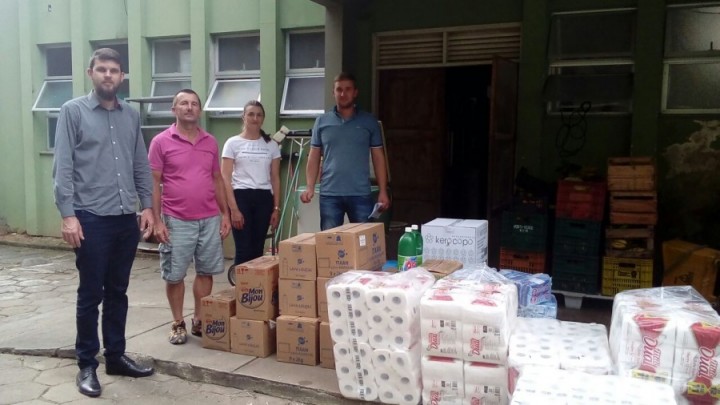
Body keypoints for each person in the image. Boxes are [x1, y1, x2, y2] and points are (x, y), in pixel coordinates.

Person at [52, 48, 155, 398]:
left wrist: (148, 207)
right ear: (90, 73)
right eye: (102, 69)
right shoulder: (72, 112)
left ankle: (115, 356)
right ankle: (86, 365)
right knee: (90, 294)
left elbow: (140, 164)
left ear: (122, 77)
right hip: (90, 218)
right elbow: (62, 168)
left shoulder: (131, 116)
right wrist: (68, 215)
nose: (108, 75)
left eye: (114, 70)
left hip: (126, 217)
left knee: (118, 292)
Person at [148, 89, 231, 345]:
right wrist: (158, 220)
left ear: (199, 110)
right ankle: (177, 322)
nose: (189, 107)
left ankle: (198, 319)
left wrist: (225, 213)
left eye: (194, 103)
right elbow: (154, 182)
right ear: (174, 110)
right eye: (183, 103)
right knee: (175, 275)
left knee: (206, 272)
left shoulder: (210, 142)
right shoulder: (161, 141)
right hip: (176, 219)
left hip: (209, 219)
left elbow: (217, 179)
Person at [299, 72, 390, 230]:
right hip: (330, 195)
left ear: (355, 92)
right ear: (333, 93)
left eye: (348, 89)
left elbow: (378, 157)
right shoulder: (321, 122)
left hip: (360, 193)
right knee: (329, 245)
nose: (343, 93)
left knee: (363, 244)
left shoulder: (369, 122)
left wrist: (383, 190)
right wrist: (310, 187)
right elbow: (313, 157)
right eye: (339, 89)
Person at [221, 100, 281, 266]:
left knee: (257, 248)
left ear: (263, 118)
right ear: (243, 117)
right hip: (241, 197)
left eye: (259, 115)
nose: (255, 118)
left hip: (263, 198)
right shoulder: (232, 143)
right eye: (251, 114)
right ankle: (241, 286)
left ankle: (256, 287)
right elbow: (225, 177)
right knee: (244, 248)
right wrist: (233, 209)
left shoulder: (271, 145)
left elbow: (275, 177)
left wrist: (276, 208)